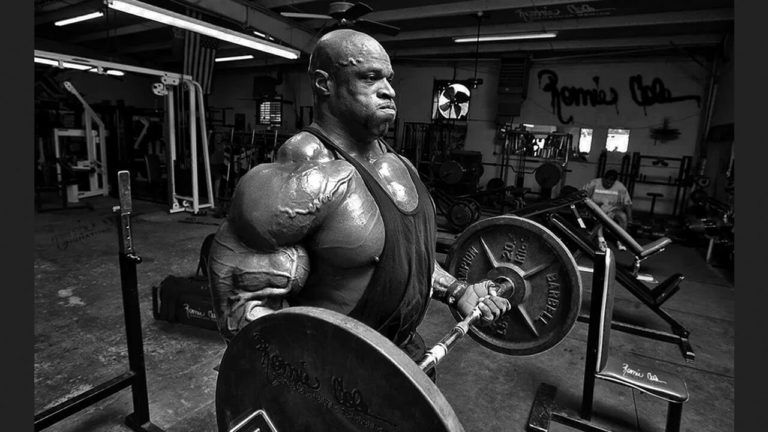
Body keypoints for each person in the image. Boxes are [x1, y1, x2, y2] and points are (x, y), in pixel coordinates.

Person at [207, 29, 511, 375]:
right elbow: (242, 308)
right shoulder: (300, 173)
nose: (389, 90)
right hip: (334, 374)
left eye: (388, 78)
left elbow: (407, 255)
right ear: (324, 83)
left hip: (402, 355)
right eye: (369, 77)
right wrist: (300, 381)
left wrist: (456, 291)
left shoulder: (399, 164)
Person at [581, 169, 633, 251]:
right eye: (607, 182)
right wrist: (585, 208)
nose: (608, 184)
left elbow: (627, 203)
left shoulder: (620, 187)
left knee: (623, 216)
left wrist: (630, 218)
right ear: (603, 179)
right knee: (601, 218)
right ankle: (601, 241)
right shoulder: (594, 183)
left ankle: (620, 241)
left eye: (611, 183)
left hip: (612, 210)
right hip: (596, 209)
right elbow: (582, 194)